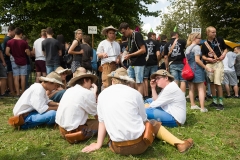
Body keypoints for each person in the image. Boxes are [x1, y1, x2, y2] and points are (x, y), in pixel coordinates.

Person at [82, 67, 193, 155]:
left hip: (116, 147)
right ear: (127, 81)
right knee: (153, 123)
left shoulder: (102, 95)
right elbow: (144, 119)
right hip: (139, 146)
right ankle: (179, 143)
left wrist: (98, 144)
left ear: (112, 81)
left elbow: (102, 122)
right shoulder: (135, 94)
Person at [56, 71, 98, 144]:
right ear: (85, 80)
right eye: (90, 82)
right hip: (74, 131)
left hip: (61, 129)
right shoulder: (87, 93)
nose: (91, 85)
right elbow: (97, 114)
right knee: (105, 124)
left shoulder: (69, 90)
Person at [201, 26, 227, 110]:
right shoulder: (204, 44)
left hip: (218, 63)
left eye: (215, 32)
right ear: (207, 33)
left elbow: (225, 49)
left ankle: (221, 103)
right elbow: (203, 56)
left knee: (218, 82)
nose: (214, 33)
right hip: (209, 64)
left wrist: (223, 55)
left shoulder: (219, 40)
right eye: (212, 32)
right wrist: (207, 59)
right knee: (211, 83)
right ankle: (214, 101)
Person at [185, 33, 212, 112]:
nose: (200, 39)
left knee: (191, 88)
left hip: (189, 70)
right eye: (199, 38)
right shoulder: (197, 47)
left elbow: (186, 61)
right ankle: (202, 108)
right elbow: (197, 60)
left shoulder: (187, 48)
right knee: (200, 88)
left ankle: (193, 105)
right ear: (194, 38)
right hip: (197, 70)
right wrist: (206, 67)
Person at [119, 22, 146, 96]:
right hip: (132, 62)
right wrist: (124, 53)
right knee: (129, 81)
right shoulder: (129, 38)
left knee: (139, 82)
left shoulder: (137, 35)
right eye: (122, 33)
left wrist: (130, 55)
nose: (123, 35)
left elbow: (143, 50)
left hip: (139, 62)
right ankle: (132, 97)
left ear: (128, 28)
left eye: (124, 32)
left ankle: (140, 100)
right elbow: (130, 48)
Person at [6, 27, 30, 96]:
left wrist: (11, 56)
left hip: (14, 61)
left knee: (15, 77)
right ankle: (22, 92)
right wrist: (26, 52)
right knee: (23, 77)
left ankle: (17, 93)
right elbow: (28, 53)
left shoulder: (9, 42)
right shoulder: (24, 42)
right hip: (23, 61)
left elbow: (7, 52)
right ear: (21, 34)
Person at [143, 32, 160, 99]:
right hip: (154, 63)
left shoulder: (144, 42)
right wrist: (158, 61)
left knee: (145, 79)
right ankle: (153, 94)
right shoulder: (156, 43)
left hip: (145, 63)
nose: (155, 38)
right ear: (152, 36)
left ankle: (146, 95)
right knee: (153, 79)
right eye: (155, 36)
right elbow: (158, 54)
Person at [1, 25, 15, 96]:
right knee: (9, 75)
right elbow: (4, 51)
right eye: (14, 31)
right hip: (7, 59)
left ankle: (9, 90)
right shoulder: (8, 39)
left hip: (6, 59)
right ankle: (11, 90)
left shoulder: (5, 39)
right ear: (10, 31)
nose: (14, 33)